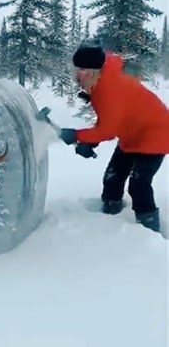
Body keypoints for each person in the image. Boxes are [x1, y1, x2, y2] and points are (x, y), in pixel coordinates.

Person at [59, 43, 169, 233]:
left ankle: (150, 231)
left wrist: (78, 136)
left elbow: (109, 129)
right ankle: (109, 219)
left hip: (156, 134)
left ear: (94, 71)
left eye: (82, 70)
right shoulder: (103, 77)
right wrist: (90, 141)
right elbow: (109, 120)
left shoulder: (109, 88)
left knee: (139, 185)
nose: (77, 75)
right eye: (76, 69)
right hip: (131, 134)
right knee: (113, 178)